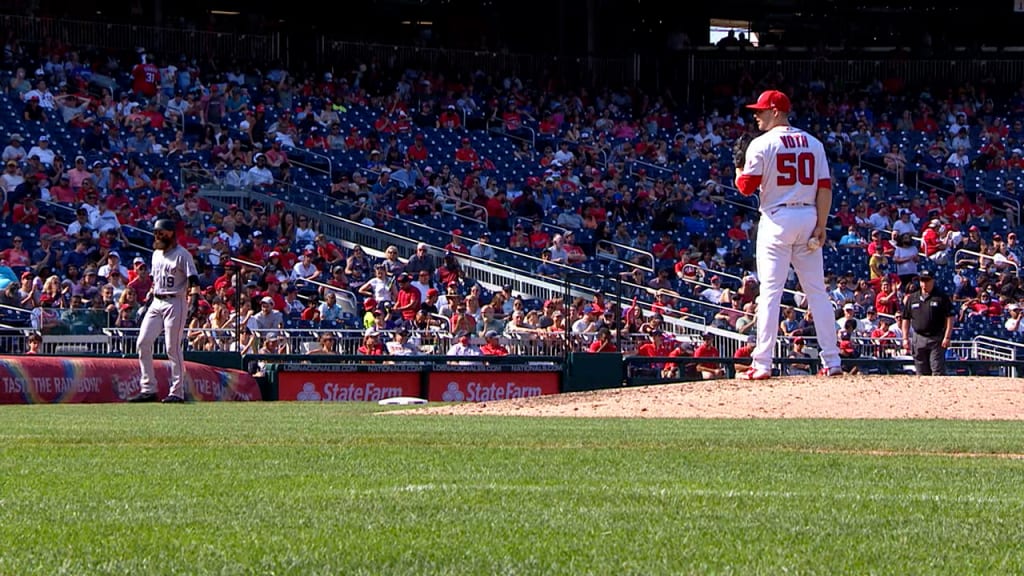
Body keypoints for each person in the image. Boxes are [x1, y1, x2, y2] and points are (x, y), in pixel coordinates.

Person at [733, 89, 842, 379]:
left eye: (761, 110)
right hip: (808, 215)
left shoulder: (762, 143)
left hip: (777, 217)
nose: (756, 115)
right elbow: (824, 188)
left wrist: (738, 167)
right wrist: (821, 224)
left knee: (770, 293)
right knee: (817, 292)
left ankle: (763, 364)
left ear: (776, 111)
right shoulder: (814, 142)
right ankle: (832, 361)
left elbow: (745, 187)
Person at [128, 219, 200, 403]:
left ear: (170, 233)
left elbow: (193, 280)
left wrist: (194, 301)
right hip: (157, 301)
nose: (157, 236)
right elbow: (156, 280)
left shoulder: (182, 255)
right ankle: (148, 389)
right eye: (156, 232)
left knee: (172, 348)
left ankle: (177, 392)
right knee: (143, 342)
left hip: (175, 302)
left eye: (161, 232)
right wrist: (148, 301)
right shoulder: (156, 254)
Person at [900, 269, 955, 376]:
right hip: (918, 338)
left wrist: (947, 337)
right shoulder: (912, 298)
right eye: (922, 281)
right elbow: (905, 319)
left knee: (937, 370)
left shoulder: (941, 297)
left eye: (927, 281)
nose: (925, 283)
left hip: (936, 338)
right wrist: (905, 338)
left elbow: (950, 317)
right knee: (921, 372)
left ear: (933, 281)